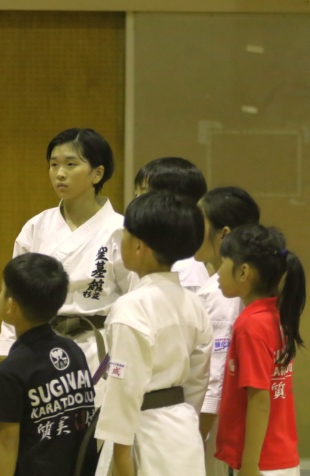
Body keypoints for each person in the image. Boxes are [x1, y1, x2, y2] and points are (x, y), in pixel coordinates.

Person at [0, 128, 136, 405]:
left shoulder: (119, 230)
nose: (60, 173)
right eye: (54, 164)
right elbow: (15, 294)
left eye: (71, 164)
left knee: (92, 440)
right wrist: (9, 351)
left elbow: (134, 299)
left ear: (97, 173)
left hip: (99, 349)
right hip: (38, 346)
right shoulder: (36, 227)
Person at [94, 191, 213, 476]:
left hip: (139, 436)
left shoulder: (131, 307)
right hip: (183, 433)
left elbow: (122, 394)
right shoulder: (194, 304)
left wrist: (122, 462)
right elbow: (198, 382)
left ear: (138, 246)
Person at [0, 253, 97, 476]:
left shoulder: (10, 370)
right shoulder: (74, 351)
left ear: (11, 305)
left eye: (1, 289)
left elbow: (7, 439)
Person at [214, 224, 305, 476]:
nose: (218, 272)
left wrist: (250, 466)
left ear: (243, 272)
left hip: (260, 463)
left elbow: (260, 400)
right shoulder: (275, 315)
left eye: (223, 263)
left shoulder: (250, 325)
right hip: (281, 458)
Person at [193, 187, 261, 476]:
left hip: (219, 431)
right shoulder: (240, 287)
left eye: (199, 223)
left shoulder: (223, 294)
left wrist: (191, 443)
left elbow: (216, 382)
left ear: (224, 234)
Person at [133, 156, 209, 292]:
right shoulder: (148, 259)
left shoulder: (187, 268)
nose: (136, 202)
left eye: (144, 194)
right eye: (136, 194)